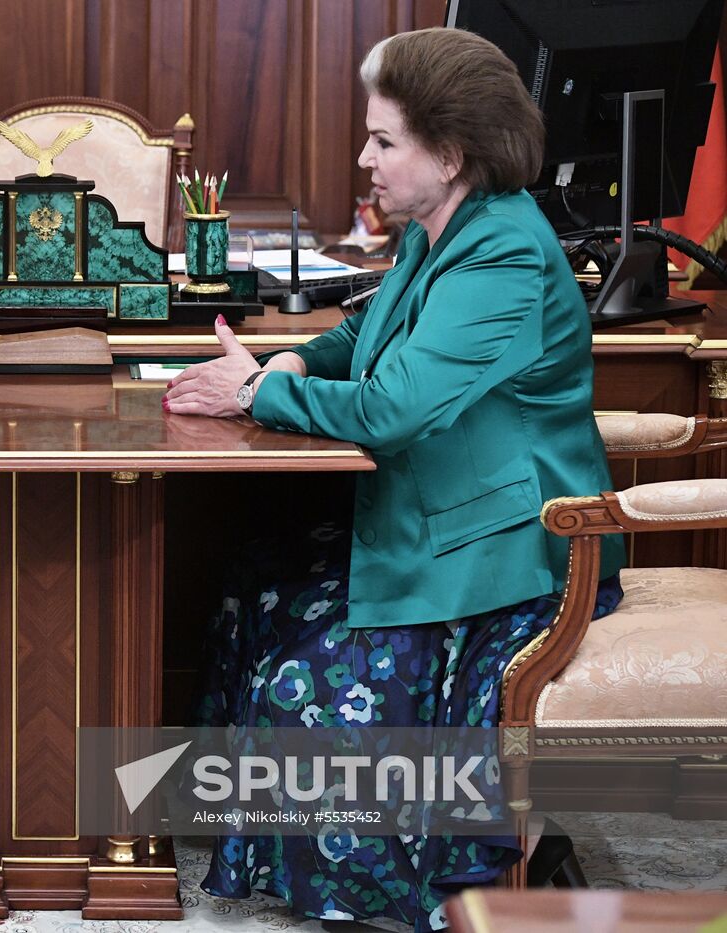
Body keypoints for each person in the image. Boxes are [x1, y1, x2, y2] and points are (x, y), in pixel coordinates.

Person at [162, 27, 626, 932]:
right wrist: (289, 362)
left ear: (450, 154)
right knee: (263, 577)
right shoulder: (440, 230)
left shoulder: (502, 253)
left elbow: (393, 407)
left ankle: (460, 869)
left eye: (383, 141)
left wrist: (256, 390)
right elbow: (362, 341)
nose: (363, 159)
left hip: (517, 555)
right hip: (446, 523)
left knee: (311, 672)